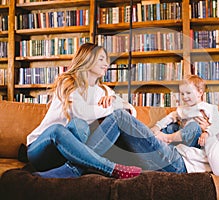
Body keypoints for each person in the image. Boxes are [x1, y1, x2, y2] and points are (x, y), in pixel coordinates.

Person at [26, 43, 142, 179]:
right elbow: (80, 112)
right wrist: (110, 107)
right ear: (87, 59)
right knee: (62, 128)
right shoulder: (67, 82)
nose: (106, 64)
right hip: (42, 149)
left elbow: (129, 112)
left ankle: (71, 169)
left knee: (82, 126)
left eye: (106, 60)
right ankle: (110, 168)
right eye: (101, 59)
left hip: (69, 154)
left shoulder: (104, 90)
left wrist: (117, 103)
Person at [86, 91, 219, 176]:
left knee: (120, 117)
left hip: (179, 164)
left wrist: (210, 134)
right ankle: (83, 158)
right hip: (178, 153)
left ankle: (81, 161)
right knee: (121, 120)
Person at [150, 75, 219, 147]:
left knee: (194, 126)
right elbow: (171, 117)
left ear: (200, 93)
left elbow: (218, 123)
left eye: (188, 93)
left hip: (195, 139)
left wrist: (207, 133)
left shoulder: (208, 107)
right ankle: (157, 141)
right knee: (171, 126)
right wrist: (157, 126)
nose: (184, 97)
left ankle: (167, 138)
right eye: (182, 94)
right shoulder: (183, 109)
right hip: (180, 138)